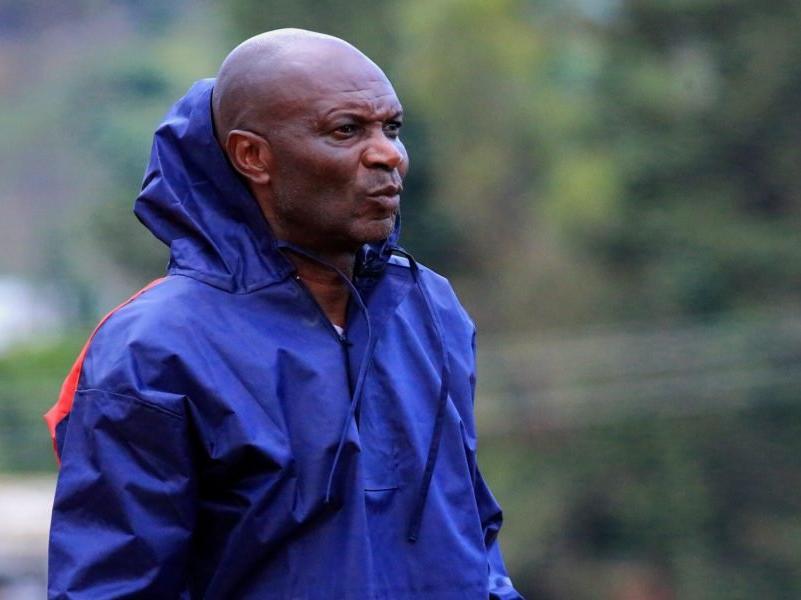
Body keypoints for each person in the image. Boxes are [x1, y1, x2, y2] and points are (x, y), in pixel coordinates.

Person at [45, 28, 525, 600]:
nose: (388, 154)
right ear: (253, 156)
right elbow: (114, 588)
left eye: (391, 128)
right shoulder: (153, 348)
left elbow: (470, 530)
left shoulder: (430, 308)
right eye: (347, 130)